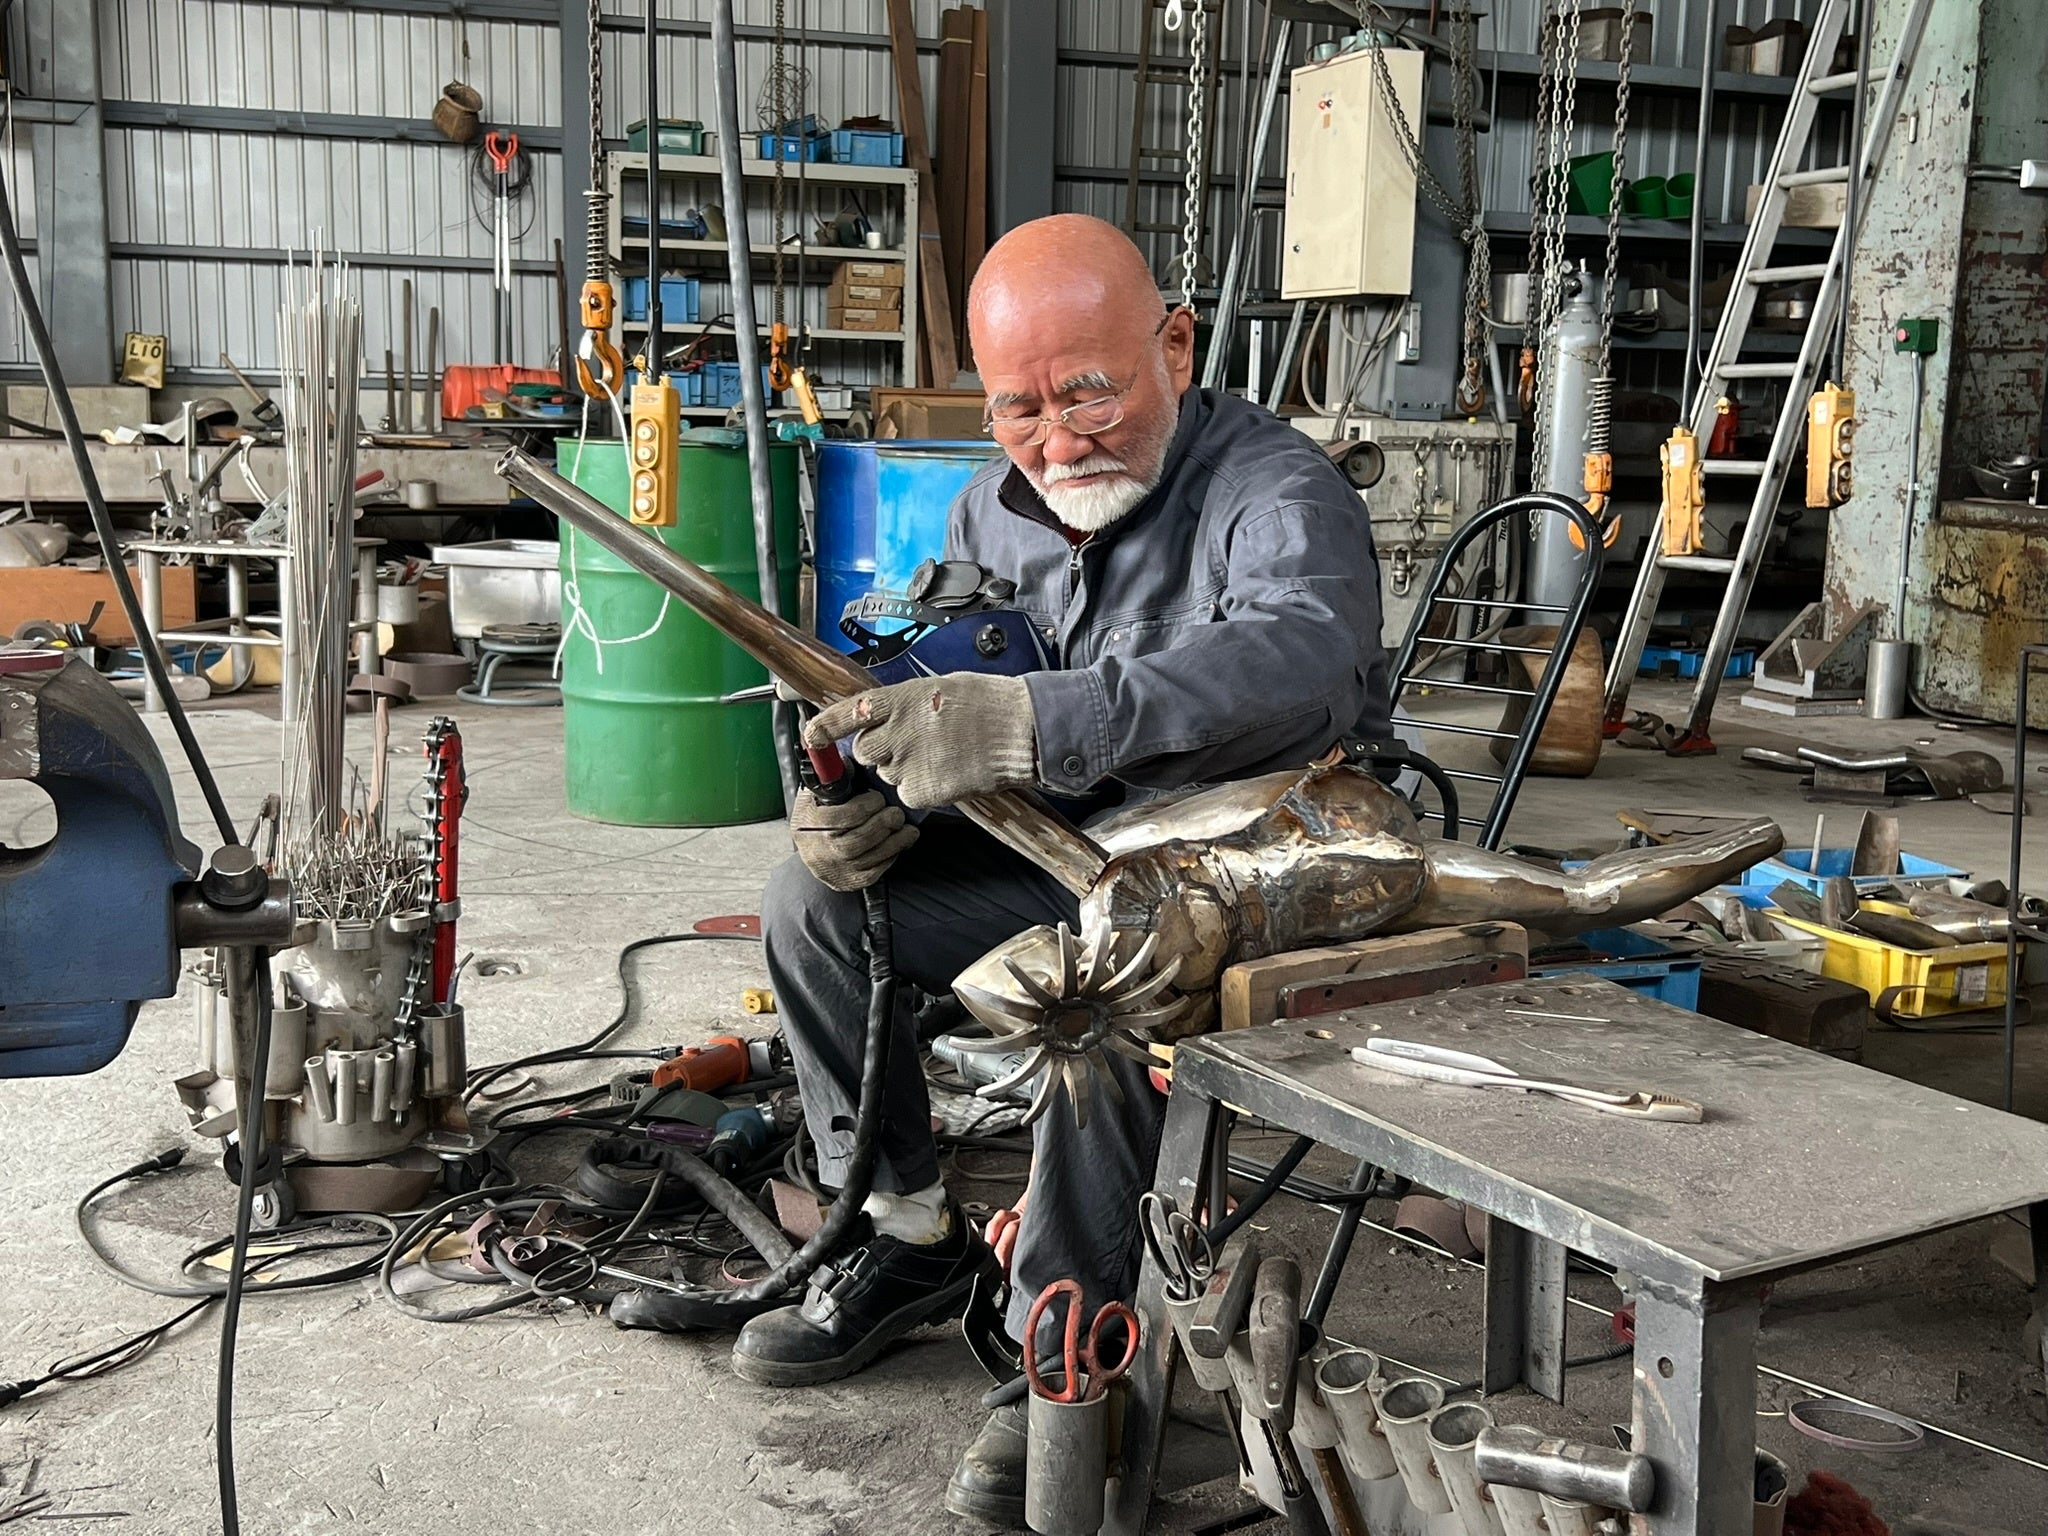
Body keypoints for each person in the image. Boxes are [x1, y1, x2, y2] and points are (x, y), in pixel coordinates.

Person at [733, 213, 1393, 1525]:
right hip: (1066, 854)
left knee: (1095, 989)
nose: (1058, 441)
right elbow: (919, 675)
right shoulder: (989, 509)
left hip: (1251, 875)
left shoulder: (1276, 491)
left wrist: (1042, 721)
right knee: (818, 908)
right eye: (1019, 409)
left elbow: (1304, 657)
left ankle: (1071, 1352)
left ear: (1175, 347)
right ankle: (908, 1237)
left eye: (1089, 393)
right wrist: (849, 798)